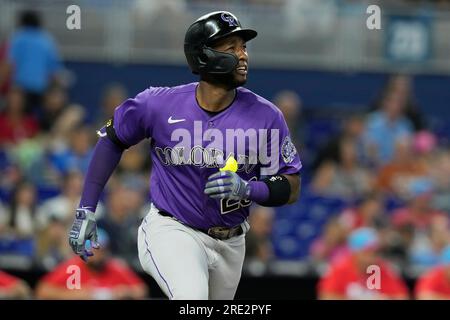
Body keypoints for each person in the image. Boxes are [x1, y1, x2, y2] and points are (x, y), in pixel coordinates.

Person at [68, 11, 301, 300]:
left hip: (232, 241)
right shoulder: (157, 104)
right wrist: (86, 208)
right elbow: (111, 141)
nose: (243, 55)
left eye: (244, 47)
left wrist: (248, 188)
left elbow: (291, 186)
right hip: (173, 228)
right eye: (231, 48)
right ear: (202, 56)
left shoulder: (266, 116)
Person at [36, 229, 148, 300]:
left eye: (100, 250)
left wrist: (125, 292)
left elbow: (141, 290)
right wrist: (74, 295)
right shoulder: (73, 267)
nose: (96, 254)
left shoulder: (115, 266)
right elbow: (42, 291)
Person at [317, 228, 409, 300]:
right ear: (355, 252)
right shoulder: (339, 269)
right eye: (367, 252)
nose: (372, 258)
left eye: (375, 253)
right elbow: (326, 296)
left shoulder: (382, 270)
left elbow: (402, 296)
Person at [5, 10, 63, 113]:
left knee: (23, 118)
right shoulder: (47, 40)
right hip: (41, 89)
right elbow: (55, 72)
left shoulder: (18, 37)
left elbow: (8, 65)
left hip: (21, 89)